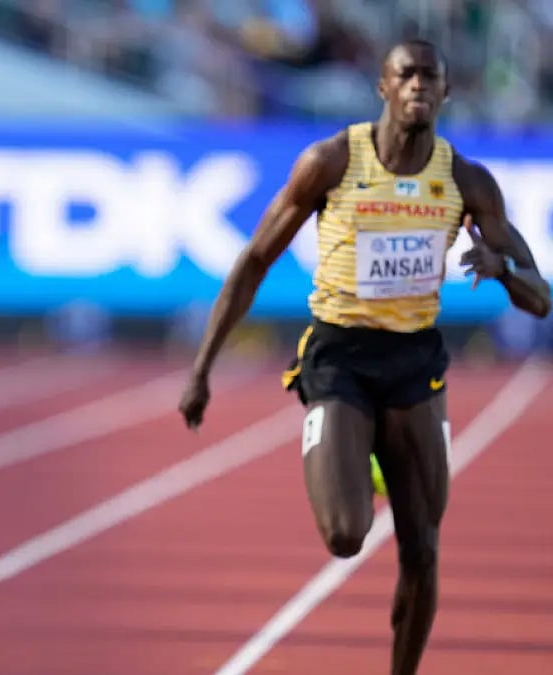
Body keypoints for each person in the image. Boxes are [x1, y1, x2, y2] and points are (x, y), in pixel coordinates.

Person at [178, 38, 550, 675]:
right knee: (346, 536)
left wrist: (503, 267)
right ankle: (361, 451)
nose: (418, 87)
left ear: (447, 92)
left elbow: (539, 297)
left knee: (423, 551)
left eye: (431, 78)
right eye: (405, 76)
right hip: (340, 357)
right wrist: (202, 368)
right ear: (381, 86)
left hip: (414, 364)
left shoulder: (465, 180)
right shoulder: (330, 162)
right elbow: (253, 261)